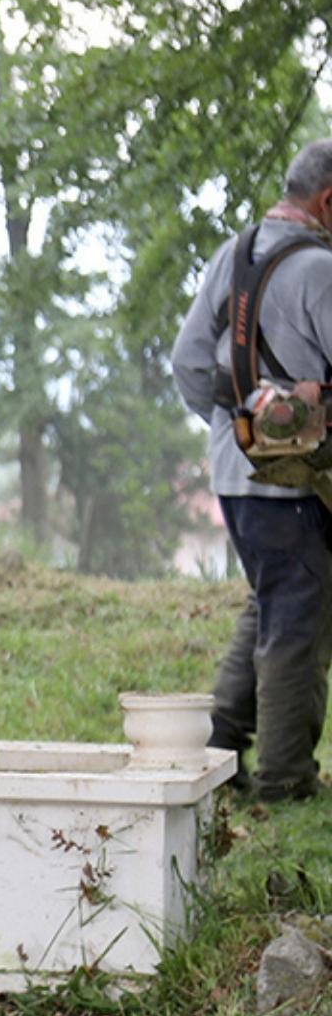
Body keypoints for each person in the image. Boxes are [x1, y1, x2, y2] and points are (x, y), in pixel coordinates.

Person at [172, 138, 332, 801]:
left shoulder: (232, 253)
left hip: (234, 475)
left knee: (270, 601)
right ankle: (285, 780)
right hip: (299, 480)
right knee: (297, 617)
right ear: (328, 200)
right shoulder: (320, 269)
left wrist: (238, 428)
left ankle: (220, 747)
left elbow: (187, 362)